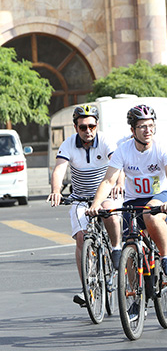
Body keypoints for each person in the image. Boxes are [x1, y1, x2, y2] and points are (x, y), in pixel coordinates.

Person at [87, 104, 167, 278]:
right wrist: (96, 204)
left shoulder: (162, 147)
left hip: (159, 197)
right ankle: (131, 294)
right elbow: (109, 180)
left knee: (149, 214)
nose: (148, 130)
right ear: (132, 129)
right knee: (129, 244)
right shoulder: (123, 149)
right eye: (143, 126)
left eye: (151, 125)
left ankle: (166, 256)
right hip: (132, 200)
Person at [47, 105, 123, 308]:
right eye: (83, 127)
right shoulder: (68, 144)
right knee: (81, 237)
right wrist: (56, 190)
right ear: (76, 127)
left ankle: (116, 247)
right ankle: (86, 287)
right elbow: (59, 170)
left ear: (97, 125)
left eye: (92, 126)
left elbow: (118, 165)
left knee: (110, 214)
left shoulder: (105, 141)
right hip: (80, 197)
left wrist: (119, 184)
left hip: (104, 193)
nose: (88, 130)